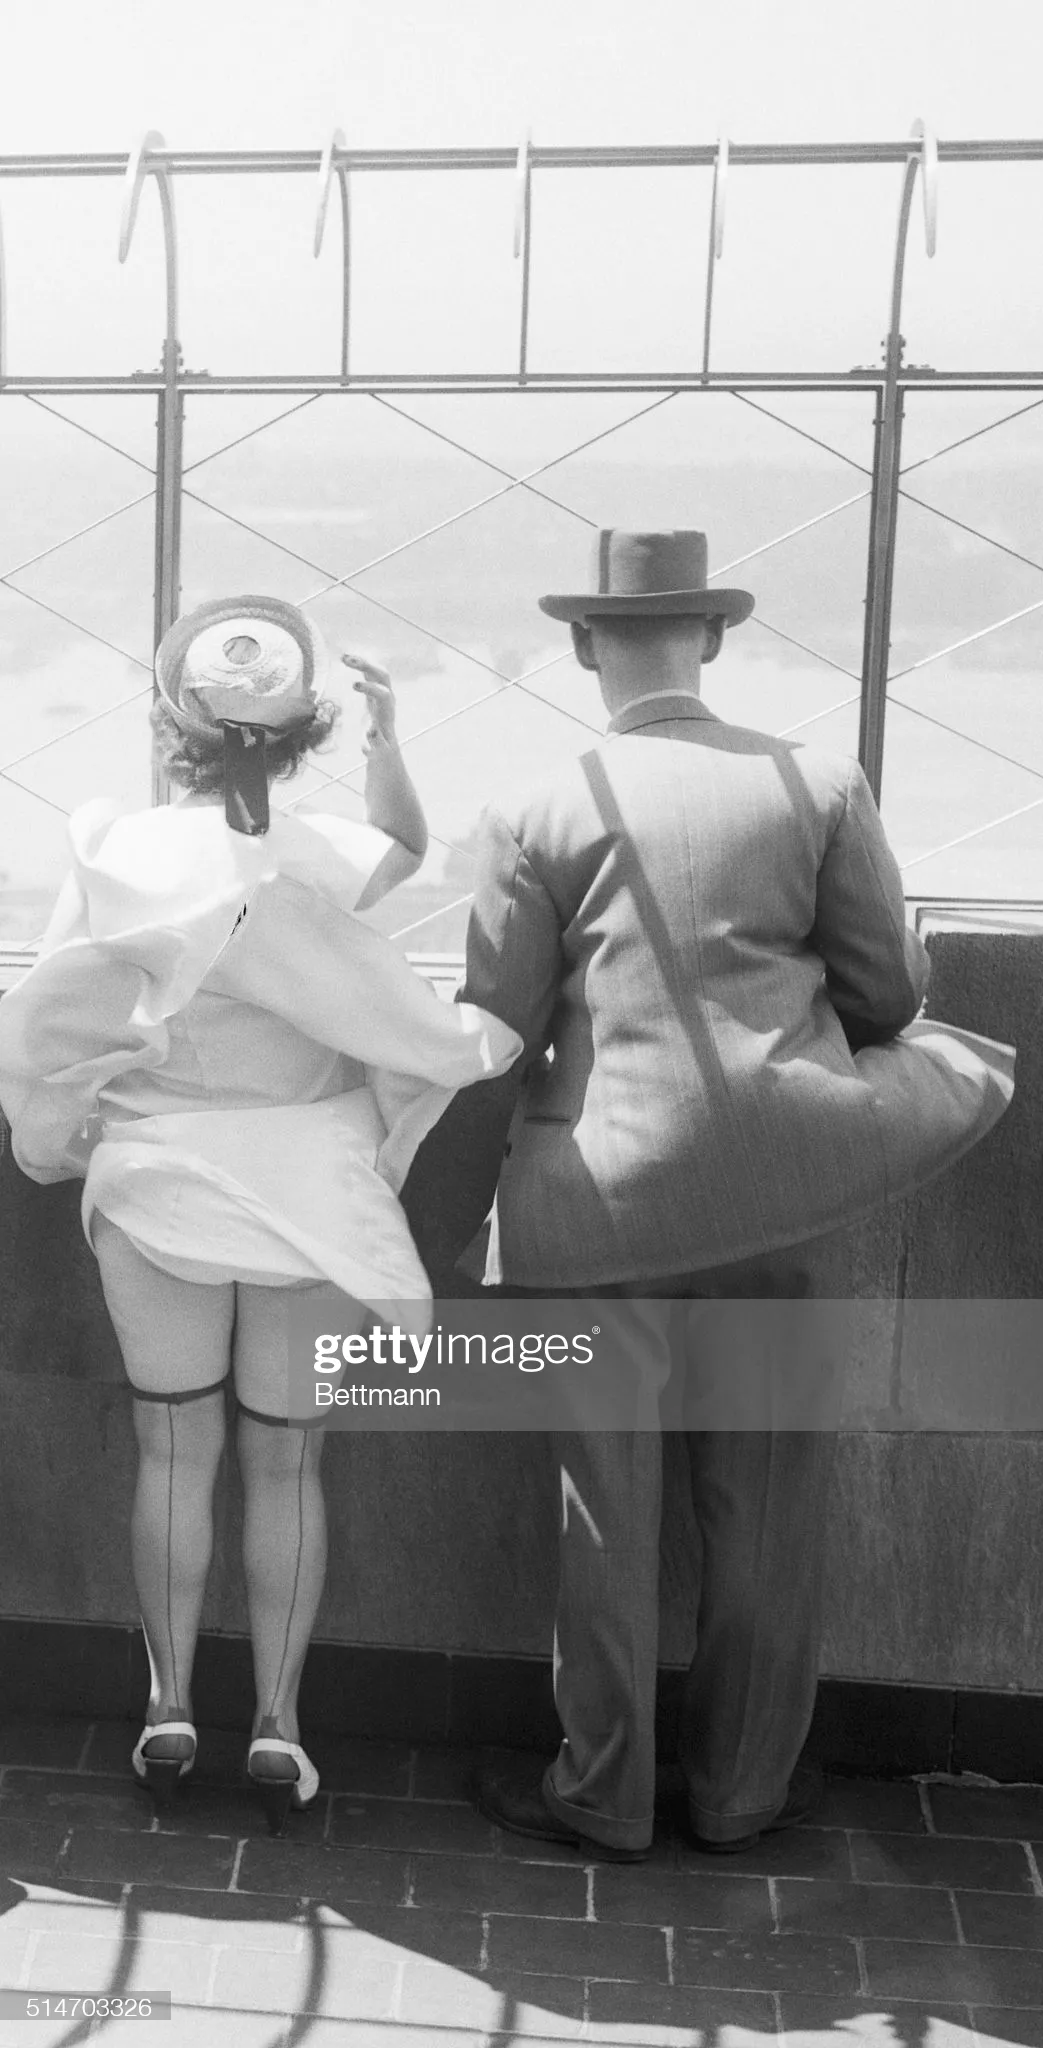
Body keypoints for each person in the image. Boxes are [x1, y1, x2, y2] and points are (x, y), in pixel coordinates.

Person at [401, 529, 1016, 1863]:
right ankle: (741, 1794)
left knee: (606, 1515)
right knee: (766, 1509)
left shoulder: (534, 809)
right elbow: (890, 1000)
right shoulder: (819, 781)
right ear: (716, 641)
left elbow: (495, 1031)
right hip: (778, 1205)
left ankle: (604, 1792)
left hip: (600, 1206)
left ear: (581, 645)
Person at [0, 595, 520, 1833]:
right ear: (300, 738)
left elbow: (49, 1028)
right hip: (305, 1192)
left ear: (171, 729)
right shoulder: (321, 853)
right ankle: (280, 1718)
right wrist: (386, 738)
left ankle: (168, 1699)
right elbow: (405, 845)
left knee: (174, 1448)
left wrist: (64, 1135)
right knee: (287, 1456)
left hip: (159, 1182)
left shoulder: (118, 851)